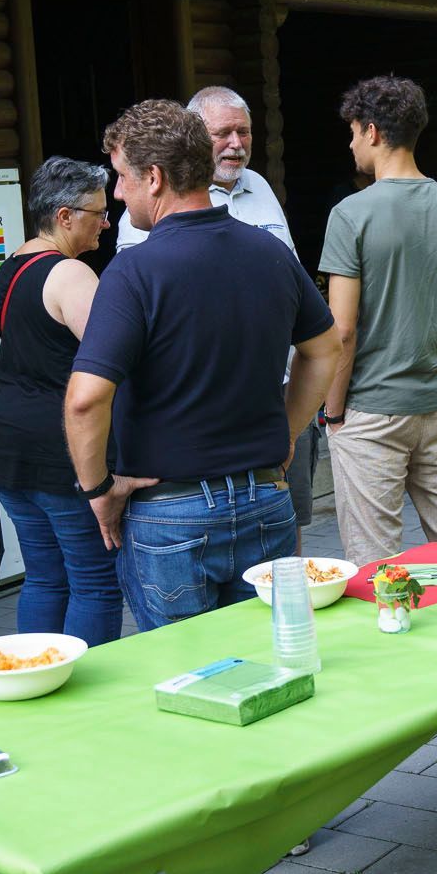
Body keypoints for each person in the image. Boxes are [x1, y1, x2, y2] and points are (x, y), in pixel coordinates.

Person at [66, 101, 338, 626]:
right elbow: (325, 347)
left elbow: (84, 400)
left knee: (186, 669)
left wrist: (98, 490)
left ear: (154, 177)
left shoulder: (132, 271)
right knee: (272, 656)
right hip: (266, 500)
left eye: (122, 177)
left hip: (169, 515)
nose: (117, 193)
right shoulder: (271, 252)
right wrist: (286, 432)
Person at [117, 88, 323, 539]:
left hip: (280, 392)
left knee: (286, 519)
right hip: (203, 403)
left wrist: (290, 427)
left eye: (243, 132)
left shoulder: (261, 187)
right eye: (223, 133)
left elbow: (290, 280)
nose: (236, 144)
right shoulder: (154, 202)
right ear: (195, 137)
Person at [318, 76, 437, 565]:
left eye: (353, 133)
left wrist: (332, 413)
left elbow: (342, 330)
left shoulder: (350, 214)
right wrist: (426, 309)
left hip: (372, 408)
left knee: (376, 562)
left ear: (373, 132)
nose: (351, 144)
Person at [0, 157, 122, 645]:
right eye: (98, 213)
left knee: (44, 576)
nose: (106, 223)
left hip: (8, 436)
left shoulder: (12, 265)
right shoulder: (70, 274)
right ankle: (90, 688)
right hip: (59, 443)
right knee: (95, 582)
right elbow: (114, 359)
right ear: (64, 216)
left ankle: (37, 676)